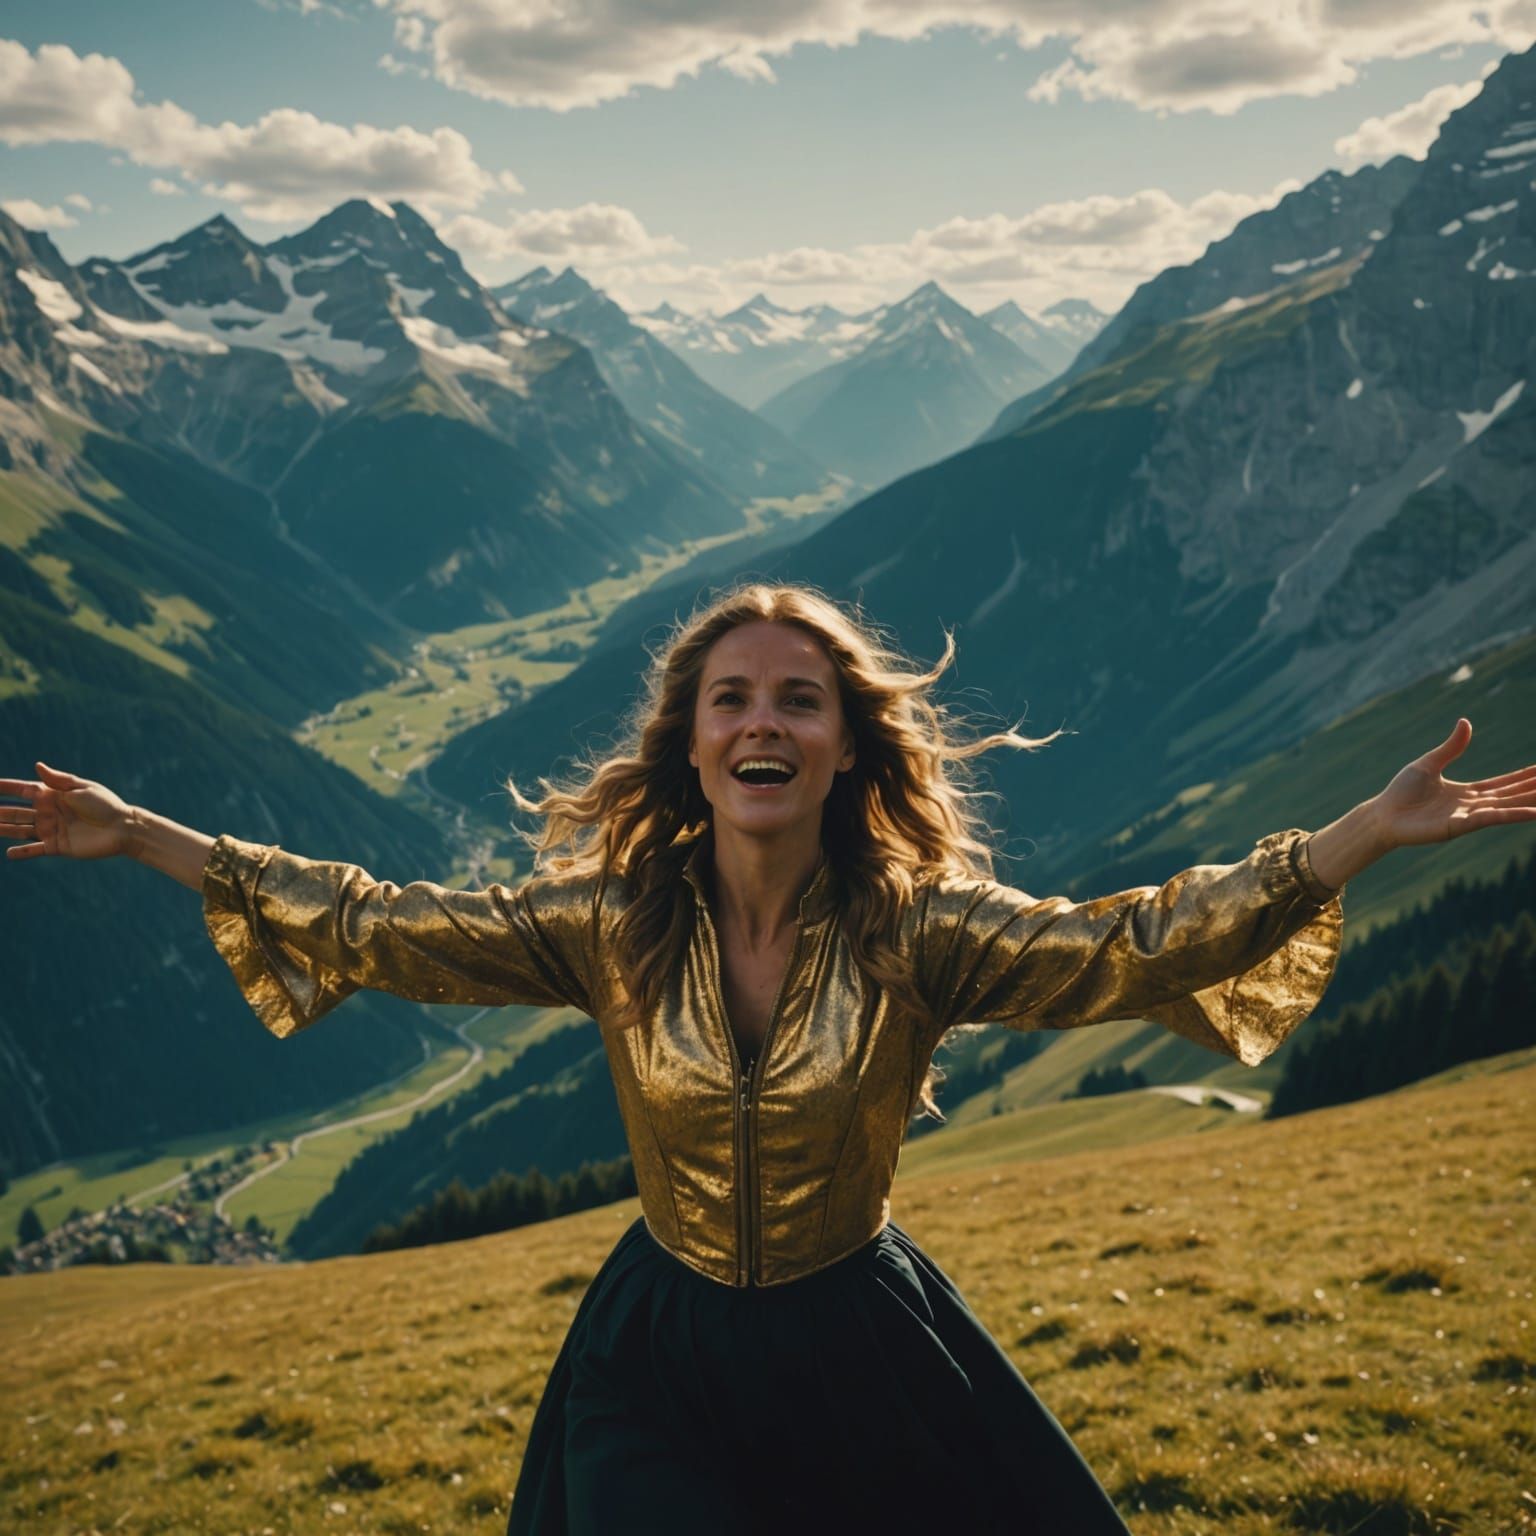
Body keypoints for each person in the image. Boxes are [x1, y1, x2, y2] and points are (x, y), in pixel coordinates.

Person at [3, 581, 1532, 1535]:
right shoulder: (607, 924)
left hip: (854, 1340)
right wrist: (144, 834)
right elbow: (381, 922)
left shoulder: (923, 930)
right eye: (730, 697)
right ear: (690, 743)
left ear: (845, 747)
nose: (763, 719)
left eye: (798, 699)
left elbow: (1131, 946)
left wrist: (1346, 843)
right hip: (652, 1353)